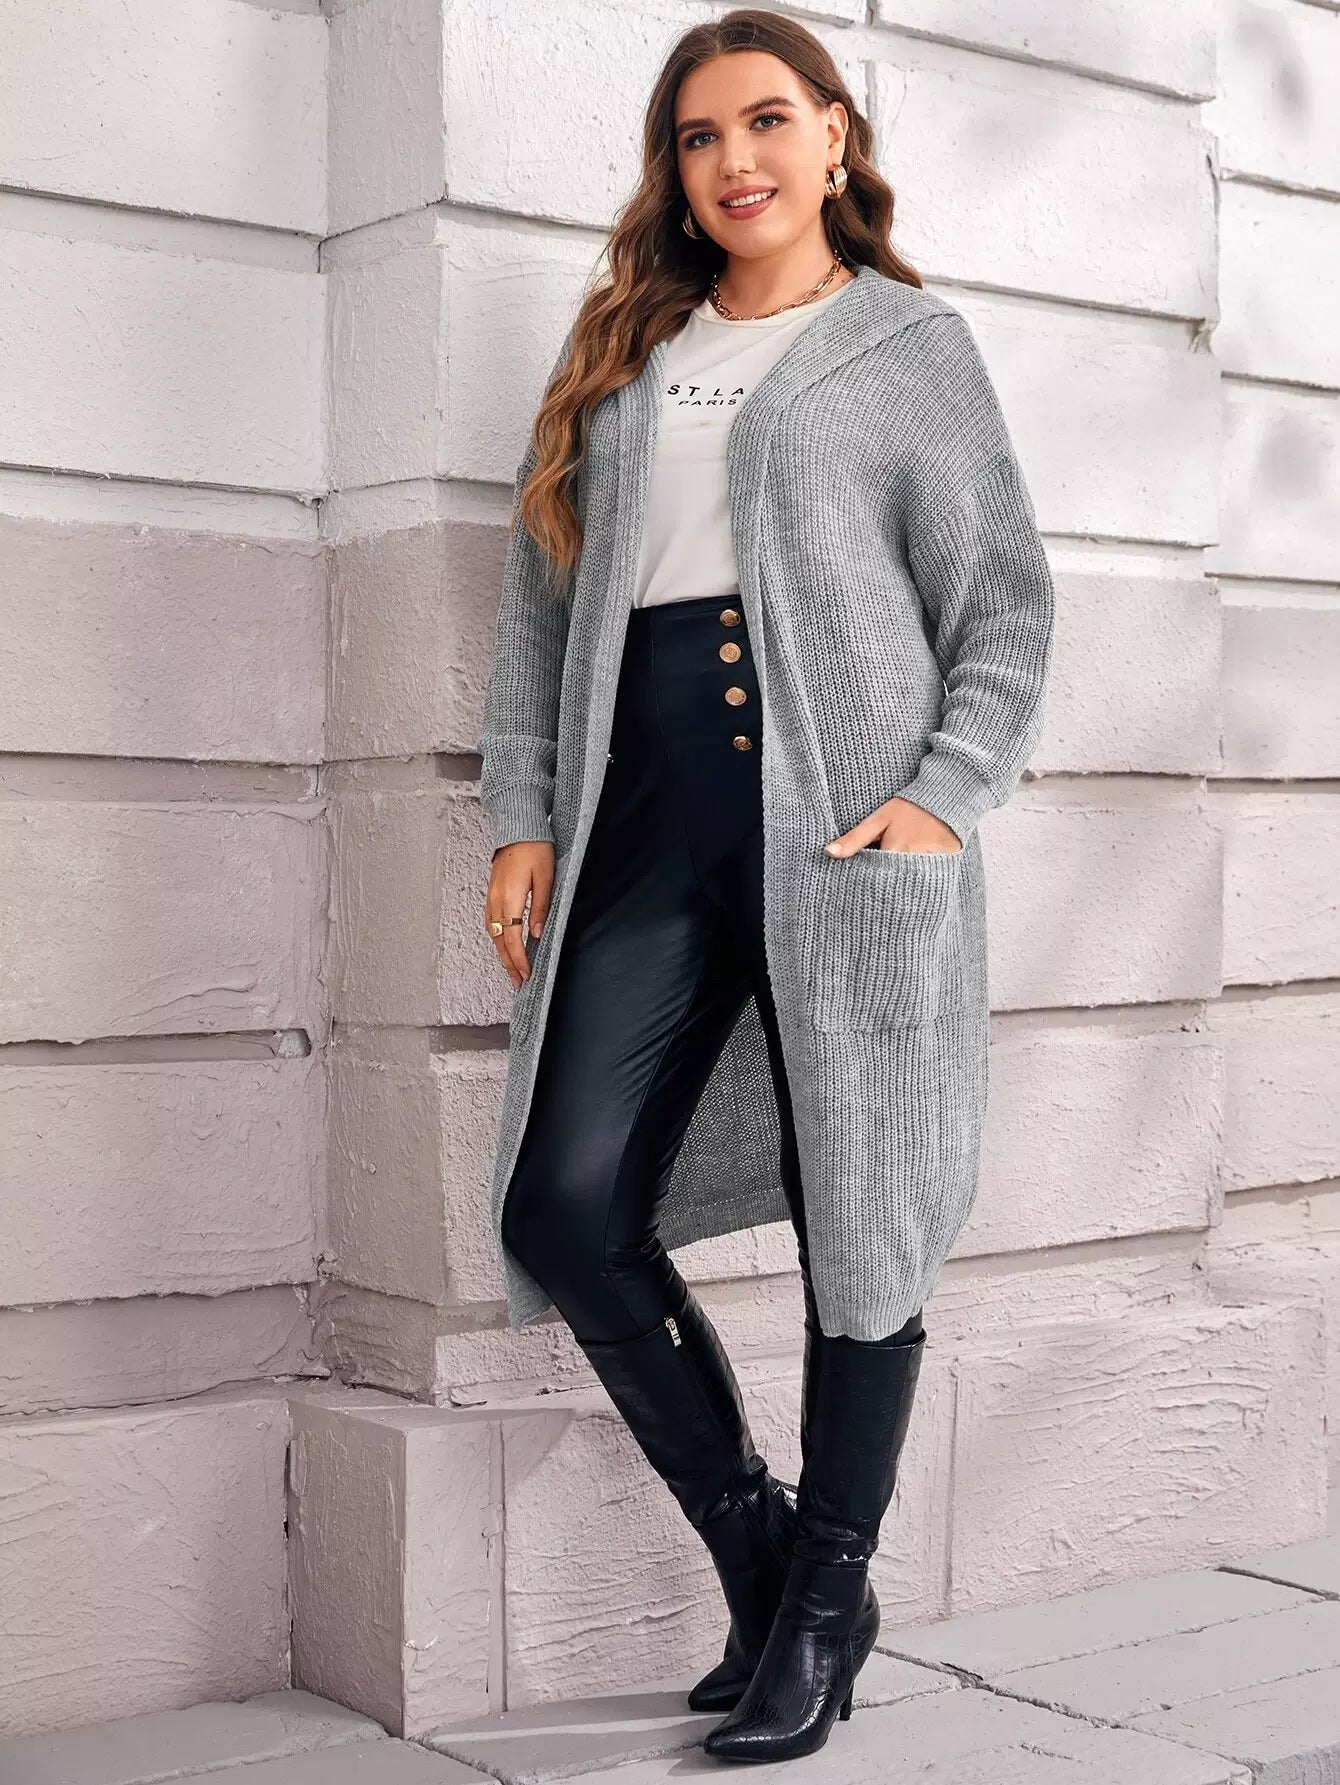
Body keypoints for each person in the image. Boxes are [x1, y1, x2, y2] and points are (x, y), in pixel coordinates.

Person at [478, 9, 1055, 1765]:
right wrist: (524, 814)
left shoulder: (904, 346)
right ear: (675, 171)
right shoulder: (624, 353)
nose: (735, 159)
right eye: (700, 135)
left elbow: (1003, 603)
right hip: (645, 821)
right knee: (562, 1204)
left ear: (832, 134)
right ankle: (763, 1549)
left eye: (766, 121)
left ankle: (819, 1610)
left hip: (841, 833)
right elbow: (539, 612)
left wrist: (940, 799)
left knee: (857, 1217)